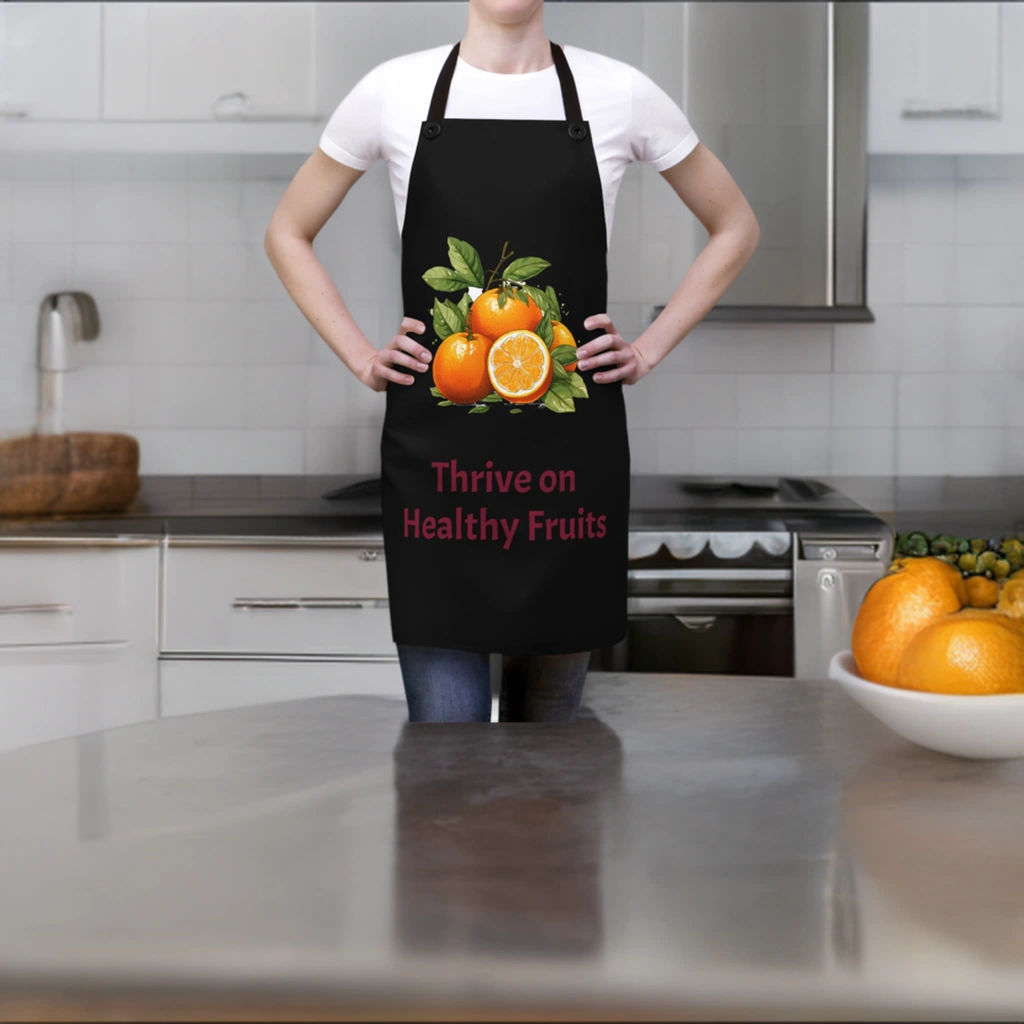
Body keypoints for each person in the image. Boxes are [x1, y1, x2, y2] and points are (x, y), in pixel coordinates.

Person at [265, 0, 760, 724]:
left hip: (567, 486)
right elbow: (287, 231)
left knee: (553, 774)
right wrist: (363, 357)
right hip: (440, 487)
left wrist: (649, 348)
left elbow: (736, 226)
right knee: (446, 759)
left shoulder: (618, 93)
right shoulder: (392, 91)